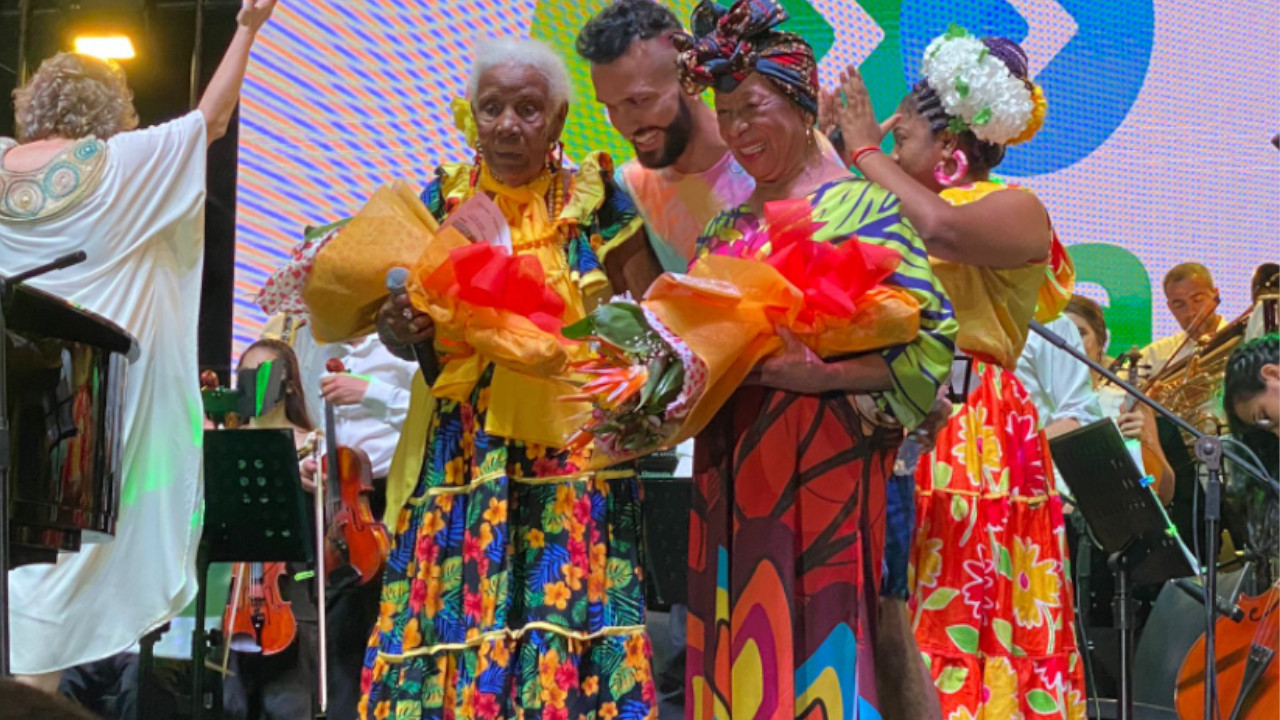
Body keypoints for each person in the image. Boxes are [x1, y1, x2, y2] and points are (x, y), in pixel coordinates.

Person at [673, 2, 958, 717]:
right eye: (725, 112)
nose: (737, 129)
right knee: (735, 642)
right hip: (729, 464)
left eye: (753, 107)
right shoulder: (723, 226)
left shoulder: (866, 209)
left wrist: (821, 375)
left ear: (804, 109)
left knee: (820, 640)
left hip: (826, 462)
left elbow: (925, 344)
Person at [363, 38, 655, 718]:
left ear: (556, 122)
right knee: (450, 623)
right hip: (463, 450)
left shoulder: (594, 200)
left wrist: (596, 342)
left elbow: (648, 321)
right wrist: (397, 324)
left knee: (565, 613)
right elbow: (400, 326)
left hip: (570, 453)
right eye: (491, 108)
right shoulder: (443, 199)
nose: (507, 126)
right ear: (472, 116)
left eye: (527, 109)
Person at [0, 0, 278, 691]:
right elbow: (208, 122)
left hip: (8, 407)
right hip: (82, 418)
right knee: (52, 589)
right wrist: (246, 28)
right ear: (110, 117)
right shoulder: (121, 165)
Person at [827, 26, 1087, 717]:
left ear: (950, 148)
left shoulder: (1015, 209)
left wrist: (860, 151)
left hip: (972, 429)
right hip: (888, 414)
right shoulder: (887, 208)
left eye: (900, 132)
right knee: (891, 610)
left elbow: (941, 229)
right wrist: (839, 155)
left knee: (965, 609)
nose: (886, 140)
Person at [576, 0, 750, 276]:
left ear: (690, 80)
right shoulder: (628, 187)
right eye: (611, 106)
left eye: (639, 101)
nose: (625, 124)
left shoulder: (768, 156)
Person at [221, 338, 323, 720]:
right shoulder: (225, 443)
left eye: (264, 372)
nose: (254, 383)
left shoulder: (312, 445)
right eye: (245, 374)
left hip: (291, 594)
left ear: (290, 383)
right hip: (228, 602)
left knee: (289, 708)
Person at [1064, 295, 1175, 503]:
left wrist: (1146, 444)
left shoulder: (1127, 403)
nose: (1072, 342)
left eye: (1080, 333)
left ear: (1100, 343)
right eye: (1062, 333)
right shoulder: (1032, 405)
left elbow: (1162, 491)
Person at [1142, 263, 1230, 377]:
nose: (1191, 311)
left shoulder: (1242, 339)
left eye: (1198, 299)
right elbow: (1115, 389)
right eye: (1179, 305)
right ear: (1170, 308)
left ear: (1215, 295)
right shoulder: (1156, 355)